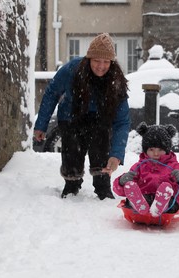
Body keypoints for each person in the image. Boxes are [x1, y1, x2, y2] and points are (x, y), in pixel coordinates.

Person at [34, 33, 130, 199]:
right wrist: (41, 125)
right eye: (96, 61)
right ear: (88, 59)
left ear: (111, 62)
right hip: (71, 116)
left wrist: (116, 155)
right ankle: (71, 184)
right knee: (72, 151)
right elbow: (52, 93)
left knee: (101, 147)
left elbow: (122, 121)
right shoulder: (72, 69)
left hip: (100, 118)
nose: (101, 66)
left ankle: (102, 186)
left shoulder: (116, 80)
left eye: (106, 61)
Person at [113, 122, 179, 217]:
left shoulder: (174, 167)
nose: (156, 154)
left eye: (160, 150)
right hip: (144, 198)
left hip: (168, 200)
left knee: (170, 196)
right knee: (134, 196)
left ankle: (162, 206)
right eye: (151, 149)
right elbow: (119, 191)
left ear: (167, 149)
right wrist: (122, 182)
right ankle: (137, 204)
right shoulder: (139, 167)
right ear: (145, 149)